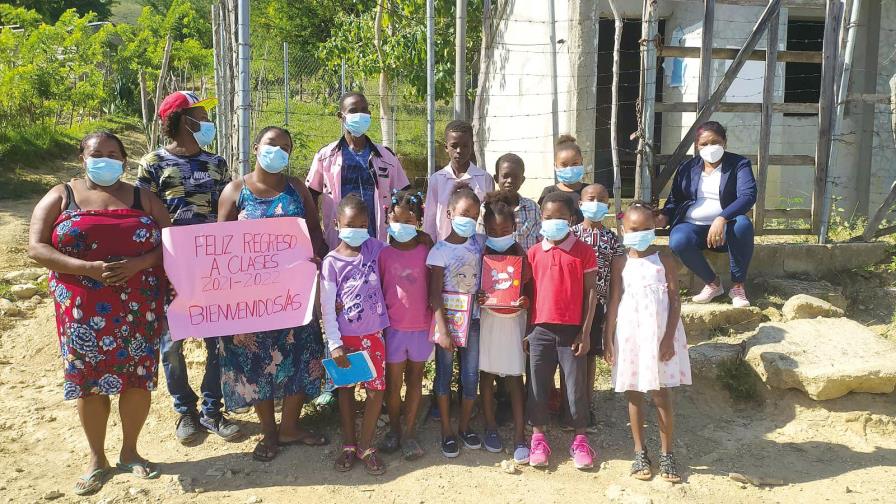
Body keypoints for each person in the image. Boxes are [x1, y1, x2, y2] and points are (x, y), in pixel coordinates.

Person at [28, 132, 172, 495]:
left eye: (113, 154)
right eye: (97, 153)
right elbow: (36, 247)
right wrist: (84, 267)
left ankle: (130, 452)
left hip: (139, 306)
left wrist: (140, 262)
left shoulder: (144, 198)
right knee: (89, 381)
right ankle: (97, 458)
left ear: (124, 159)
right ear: (82, 157)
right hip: (82, 308)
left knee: (138, 378)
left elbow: (172, 244)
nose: (105, 159)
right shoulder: (63, 195)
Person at [216, 126, 329, 462]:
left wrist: (317, 257)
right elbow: (217, 249)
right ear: (256, 148)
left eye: (286, 147)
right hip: (250, 299)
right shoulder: (236, 192)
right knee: (255, 360)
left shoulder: (297, 188)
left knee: (301, 352)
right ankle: (268, 430)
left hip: (293, 295)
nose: (278, 151)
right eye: (271, 144)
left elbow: (314, 232)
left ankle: (290, 426)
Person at [136, 91, 240, 444]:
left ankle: (213, 409)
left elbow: (229, 212)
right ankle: (185, 411)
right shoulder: (152, 164)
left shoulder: (217, 163)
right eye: (200, 114)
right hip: (170, 267)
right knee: (171, 343)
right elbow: (144, 215)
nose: (206, 120)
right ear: (182, 119)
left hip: (213, 266)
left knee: (219, 340)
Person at [604, 202, 691, 483]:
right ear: (623, 229)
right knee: (634, 393)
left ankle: (667, 454)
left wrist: (668, 338)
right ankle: (639, 452)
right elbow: (615, 300)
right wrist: (608, 336)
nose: (638, 234)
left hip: (659, 335)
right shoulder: (620, 262)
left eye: (644, 229)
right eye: (633, 229)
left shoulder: (664, 260)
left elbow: (675, 300)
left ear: (654, 229)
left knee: (661, 394)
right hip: (630, 336)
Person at [526, 191, 598, 470]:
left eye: (559, 217)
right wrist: (528, 330)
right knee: (536, 385)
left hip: (572, 332)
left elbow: (592, 293)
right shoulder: (533, 252)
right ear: (541, 218)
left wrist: (586, 331)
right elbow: (528, 293)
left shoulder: (583, 251)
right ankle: (538, 438)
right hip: (540, 330)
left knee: (575, 386)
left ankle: (580, 438)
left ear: (571, 219)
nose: (553, 222)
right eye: (547, 217)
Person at [321, 195, 390, 475]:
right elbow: (327, 307)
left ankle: (366, 445)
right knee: (346, 391)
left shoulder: (376, 249)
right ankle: (349, 445)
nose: (357, 229)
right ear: (337, 224)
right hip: (345, 341)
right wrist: (335, 344)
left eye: (363, 224)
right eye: (351, 224)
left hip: (373, 336)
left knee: (375, 392)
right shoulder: (331, 262)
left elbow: (399, 252)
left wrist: (421, 238)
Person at [656, 121, 756, 307]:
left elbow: (748, 196)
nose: (710, 147)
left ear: (724, 142)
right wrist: (663, 217)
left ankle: (738, 287)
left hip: (727, 228)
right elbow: (675, 200)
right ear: (697, 145)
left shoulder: (739, 164)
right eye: (704, 144)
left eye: (715, 142)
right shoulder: (687, 168)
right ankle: (713, 284)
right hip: (693, 226)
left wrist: (722, 218)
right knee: (678, 240)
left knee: (743, 224)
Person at [306, 92, 411, 249]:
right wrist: (315, 236)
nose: (359, 115)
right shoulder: (325, 156)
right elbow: (310, 197)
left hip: (377, 241)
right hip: (337, 243)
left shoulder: (386, 157)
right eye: (353, 111)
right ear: (341, 116)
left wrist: (400, 234)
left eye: (364, 110)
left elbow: (403, 195)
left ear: (369, 114)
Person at [427, 184, 486, 458]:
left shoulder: (480, 244)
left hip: (472, 322)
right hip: (447, 325)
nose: (469, 219)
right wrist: (443, 330)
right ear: (450, 213)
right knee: (444, 376)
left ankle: (464, 426)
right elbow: (434, 295)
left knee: (470, 375)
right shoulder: (439, 251)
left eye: (474, 215)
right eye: (464, 213)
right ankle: (446, 431)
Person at [377, 190, 432, 461]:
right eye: (397, 221)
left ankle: (409, 433)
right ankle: (395, 430)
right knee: (393, 384)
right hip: (393, 331)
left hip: (421, 328)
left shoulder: (426, 251)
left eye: (409, 222)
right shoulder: (382, 254)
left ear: (419, 222)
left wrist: (430, 241)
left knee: (415, 381)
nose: (402, 227)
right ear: (388, 219)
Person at [476, 190, 530, 462]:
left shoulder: (521, 253)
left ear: (514, 228)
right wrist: (480, 297)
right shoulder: (481, 253)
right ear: (485, 229)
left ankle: (520, 436)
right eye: (493, 230)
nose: (499, 235)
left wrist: (525, 301)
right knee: (486, 376)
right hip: (488, 322)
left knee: (514, 379)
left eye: (505, 229)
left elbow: (530, 290)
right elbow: (473, 289)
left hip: (512, 325)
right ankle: (491, 428)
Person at [571, 183, 623, 430]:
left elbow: (615, 280)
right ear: (580, 204)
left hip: (598, 305)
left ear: (608, 206)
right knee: (569, 355)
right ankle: (568, 404)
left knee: (589, 355)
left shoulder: (612, 239)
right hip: (569, 305)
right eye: (591, 198)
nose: (596, 203)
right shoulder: (570, 234)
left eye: (602, 200)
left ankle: (587, 404)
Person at [424, 120, 495, 240]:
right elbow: (430, 219)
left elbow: (489, 217)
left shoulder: (484, 179)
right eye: (454, 145)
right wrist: (430, 245)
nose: (459, 150)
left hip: (476, 248)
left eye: (465, 145)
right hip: (444, 247)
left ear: (472, 147)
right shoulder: (437, 179)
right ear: (446, 147)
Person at [493, 153, 541, 251]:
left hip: (527, 264)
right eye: (505, 176)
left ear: (522, 180)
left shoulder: (532, 207)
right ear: (496, 178)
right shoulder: (487, 208)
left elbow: (541, 240)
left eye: (515, 177)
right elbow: (481, 240)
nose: (510, 181)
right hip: (497, 264)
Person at [538, 135, 586, 224]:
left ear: (581, 162)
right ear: (555, 165)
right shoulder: (549, 192)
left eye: (575, 163)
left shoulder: (589, 192)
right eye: (564, 165)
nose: (570, 168)